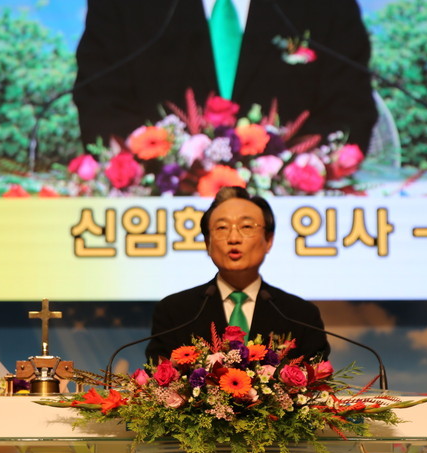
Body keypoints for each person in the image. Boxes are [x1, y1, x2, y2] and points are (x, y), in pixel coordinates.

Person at [74, 0, 378, 152]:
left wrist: (285, 168)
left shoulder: (325, 6)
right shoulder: (121, 6)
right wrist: (166, 164)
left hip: (292, 220)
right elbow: (100, 103)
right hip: (159, 217)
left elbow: (350, 109)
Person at [145, 186, 330, 362]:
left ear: (269, 240)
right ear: (207, 243)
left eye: (247, 227)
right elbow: (159, 379)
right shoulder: (175, 313)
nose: (233, 238)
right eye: (222, 228)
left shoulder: (301, 316)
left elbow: (318, 384)